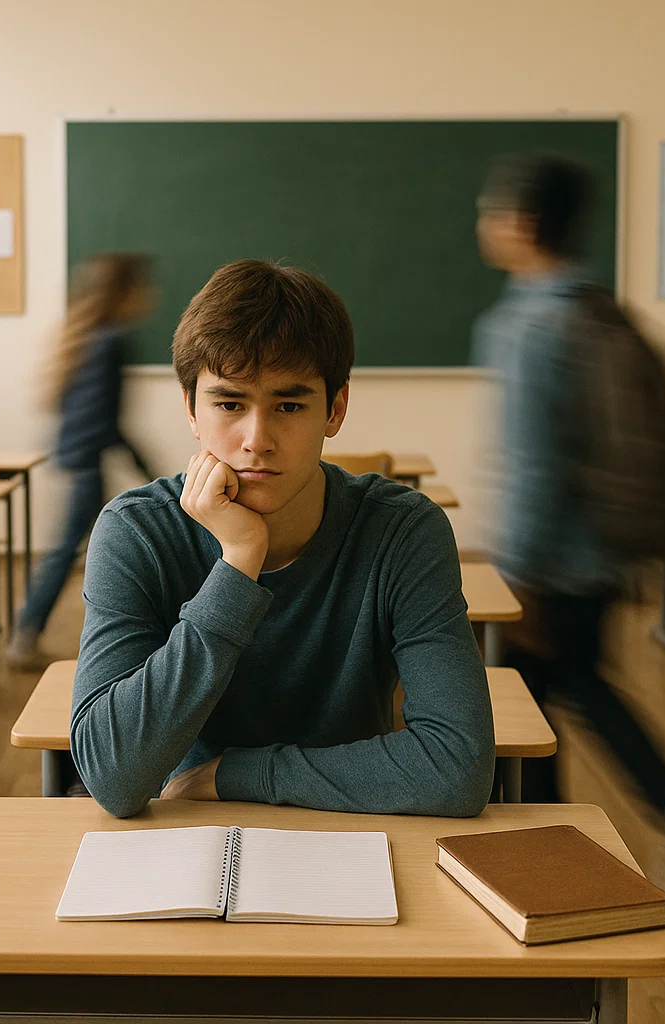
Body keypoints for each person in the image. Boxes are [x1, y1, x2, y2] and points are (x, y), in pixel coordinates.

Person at [70, 259, 495, 819]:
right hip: (182, 840)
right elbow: (114, 776)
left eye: (289, 406)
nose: (256, 440)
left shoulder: (402, 531)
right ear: (190, 409)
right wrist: (238, 562)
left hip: (349, 832)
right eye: (229, 404)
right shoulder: (137, 531)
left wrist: (236, 773)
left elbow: (457, 768)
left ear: (335, 409)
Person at [473, 154, 665, 910]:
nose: (484, 226)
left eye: (492, 212)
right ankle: (566, 846)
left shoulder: (525, 325)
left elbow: (536, 465)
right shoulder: (598, 311)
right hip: (605, 549)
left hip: (549, 562)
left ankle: (661, 818)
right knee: (563, 693)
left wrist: (518, 575)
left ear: (520, 224)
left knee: (541, 702)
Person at [6, 252, 154, 670]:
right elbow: (109, 420)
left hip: (76, 458)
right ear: (124, 291)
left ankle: (27, 630)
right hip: (87, 462)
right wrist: (147, 468)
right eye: (142, 286)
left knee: (73, 548)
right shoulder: (111, 342)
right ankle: (26, 633)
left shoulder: (87, 335)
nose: (149, 294)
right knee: (68, 549)